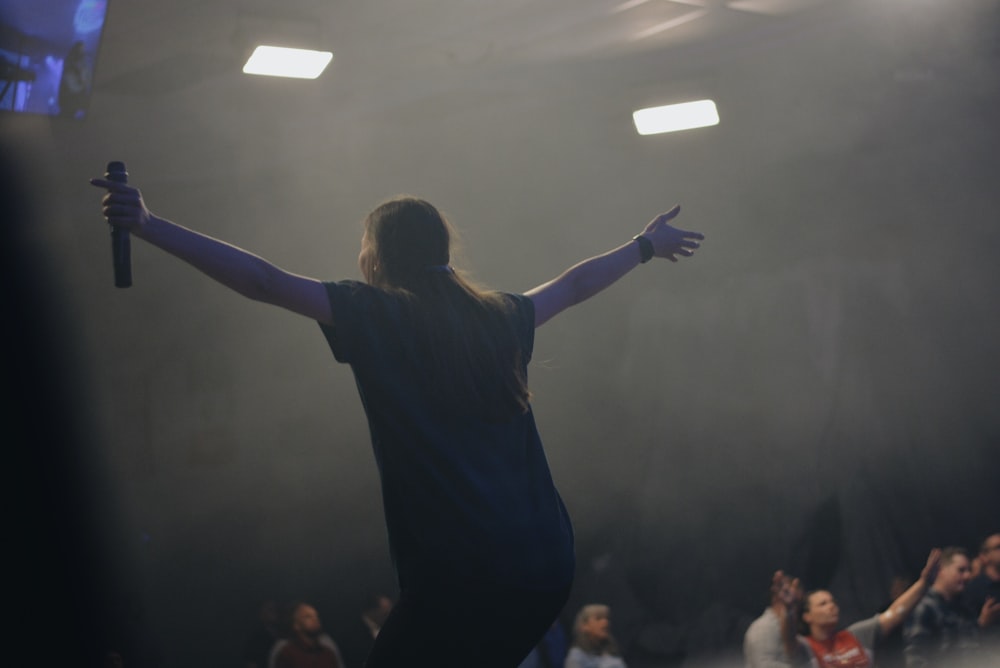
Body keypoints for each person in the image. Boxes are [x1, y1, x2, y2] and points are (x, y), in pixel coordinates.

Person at [91, 178, 704, 668]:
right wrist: (643, 246)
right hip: (544, 564)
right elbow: (573, 285)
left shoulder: (374, 314)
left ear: (378, 254)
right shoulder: (500, 316)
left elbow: (264, 281)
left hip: (462, 572)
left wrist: (148, 224)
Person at [782, 549, 941, 668]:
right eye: (823, 604)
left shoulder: (858, 635)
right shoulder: (803, 648)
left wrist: (924, 583)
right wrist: (789, 610)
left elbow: (894, 613)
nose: (832, 606)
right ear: (807, 616)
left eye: (832, 602)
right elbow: (788, 638)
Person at [904, 546, 996, 668]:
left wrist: (981, 625)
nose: (967, 576)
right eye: (961, 570)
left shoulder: (963, 608)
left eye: (969, 570)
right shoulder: (924, 607)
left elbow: (971, 649)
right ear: (940, 571)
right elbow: (916, 659)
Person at [744, 570, 801, 668]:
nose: (794, 592)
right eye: (787, 590)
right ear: (776, 594)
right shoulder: (762, 628)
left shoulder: (794, 628)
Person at [269, 601, 343, 668]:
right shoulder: (287, 653)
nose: (315, 619)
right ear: (296, 625)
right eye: (308, 617)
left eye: (316, 616)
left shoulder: (328, 653)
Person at [565, 604, 625, 668]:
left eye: (607, 618)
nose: (605, 622)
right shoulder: (576, 657)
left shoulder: (612, 652)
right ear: (584, 626)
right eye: (598, 618)